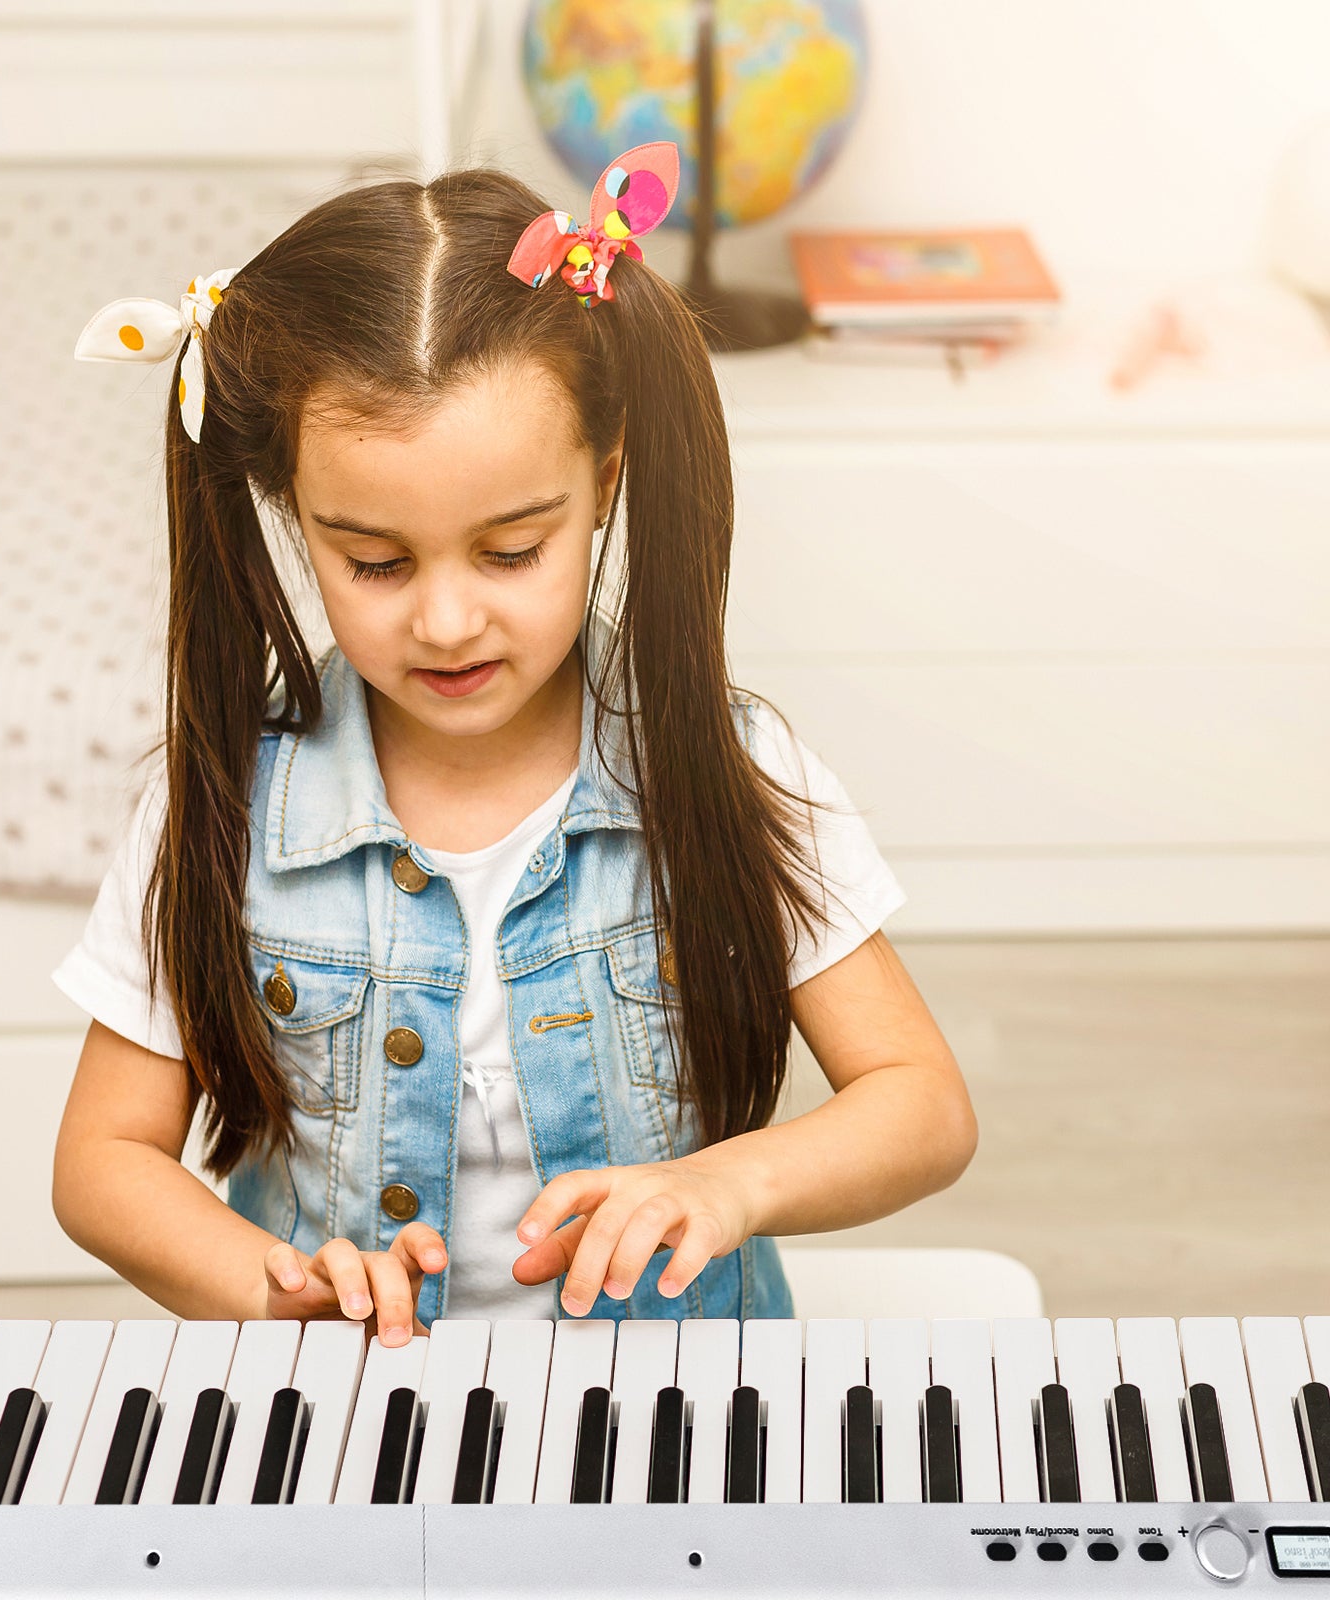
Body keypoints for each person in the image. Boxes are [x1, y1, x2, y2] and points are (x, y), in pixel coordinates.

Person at [51, 142, 976, 1349]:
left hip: (675, 1410)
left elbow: (921, 1107)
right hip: (354, 1413)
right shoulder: (225, 803)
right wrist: (267, 1282)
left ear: (602, 483)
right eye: (374, 562)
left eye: (509, 551)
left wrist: (728, 1184)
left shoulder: (730, 770)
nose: (443, 621)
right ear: (291, 509)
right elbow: (102, 1161)